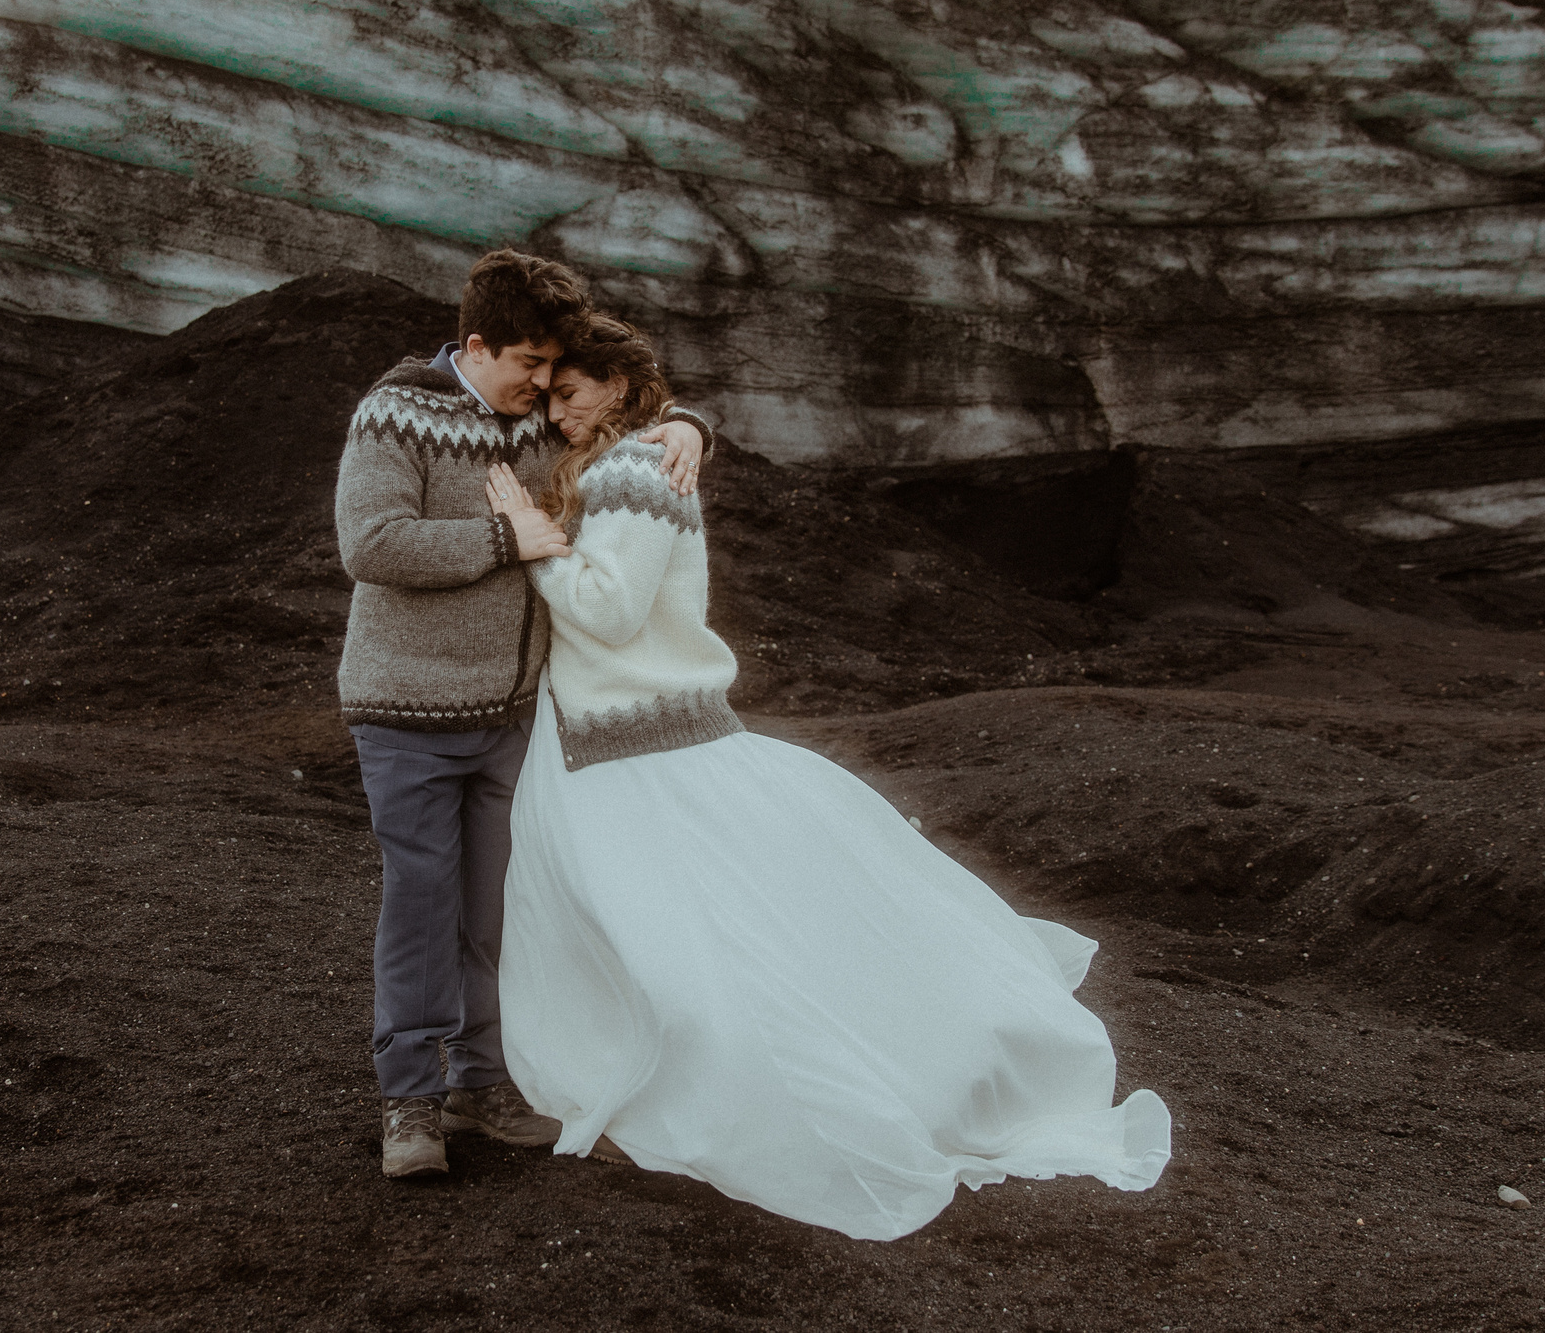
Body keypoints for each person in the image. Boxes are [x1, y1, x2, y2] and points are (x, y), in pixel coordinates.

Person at [483, 315, 1172, 1240]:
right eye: (551, 394)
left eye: (573, 394)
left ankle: (700, 1091)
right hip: (612, 743)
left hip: (643, 747)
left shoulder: (635, 472)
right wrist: (684, 422)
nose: (558, 413)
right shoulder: (636, 459)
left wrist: (536, 542)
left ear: (616, 386)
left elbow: (609, 613)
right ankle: (650, 1077)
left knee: (684, 940)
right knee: (650, 931)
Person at [334, 249, 711, 1179]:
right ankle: (409, 1099)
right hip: (409, 707)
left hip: (513, 715)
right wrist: (508, 536)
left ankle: (483, 1077)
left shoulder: (538, 421)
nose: (544, 389)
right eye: (528, 366)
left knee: (505, 906)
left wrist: (694, 425)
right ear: (476, 344)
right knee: (423, 902)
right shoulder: (396, 412)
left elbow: (625, 415)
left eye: (552, 371)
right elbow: (371, 543)